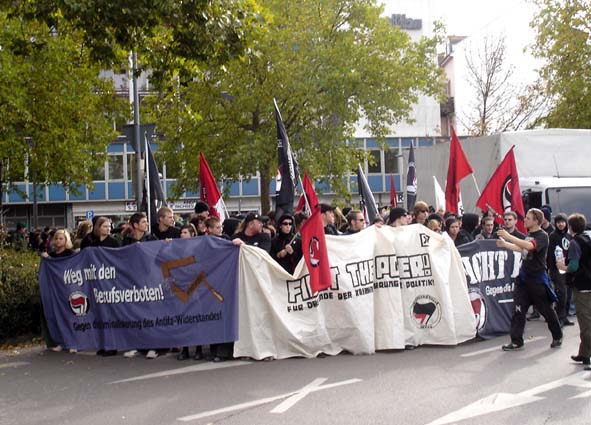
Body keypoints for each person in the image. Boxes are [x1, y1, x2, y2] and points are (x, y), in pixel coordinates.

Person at [497, 208, 563, 351]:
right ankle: (516, 340)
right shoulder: (529, 235)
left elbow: (529, 246)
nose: (525, 219)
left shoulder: (542, 236)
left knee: (547, 311)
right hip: (523, 280)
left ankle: (557, 336)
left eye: (528, 218)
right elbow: (523, 249)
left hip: (537, 281)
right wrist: (506, 245)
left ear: (536, 221)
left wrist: (509, 237)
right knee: (518, 310)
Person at [556, 213, 591, 370]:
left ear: (570, 227)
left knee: (585, 324)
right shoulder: (588, 239)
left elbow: (574, 266)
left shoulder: (575, 243)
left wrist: (562, 267)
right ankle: (584, 353)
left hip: (582, 286)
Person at [40, 229, 75, 353]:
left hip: (67, 289)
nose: (59, 241)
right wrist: (47, 258)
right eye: (57, 238)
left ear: (66, 240)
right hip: (55, 291)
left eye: (61, 238)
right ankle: (61, 342)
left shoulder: (70, 253)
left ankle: (73, 342)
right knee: (58, 316)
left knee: (69, 316)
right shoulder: (52, 255)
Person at [176, 223, 205, 361]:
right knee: (184, 318)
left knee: (196, 318)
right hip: (181, 285)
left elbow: (201, 267)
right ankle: (185, 348)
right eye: (181, 232)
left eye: (185, 233)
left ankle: (199, 349)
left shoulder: (199, 248)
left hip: (196, 286)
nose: (182, 235)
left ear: (193, 235)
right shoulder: (177, 249)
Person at [548, 213, 574, 327]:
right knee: (561, 293)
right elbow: (549, 254)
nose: (561, 224)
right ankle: (560, 317)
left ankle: (565, 316)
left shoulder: (569, 236)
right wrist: (550, 268)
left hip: (568, 269)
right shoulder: (553, 236)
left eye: (562, 222)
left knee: (568, 294)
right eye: (558, 222)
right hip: (557, 269)